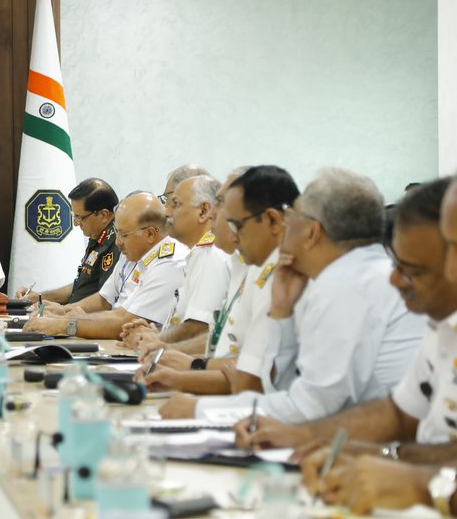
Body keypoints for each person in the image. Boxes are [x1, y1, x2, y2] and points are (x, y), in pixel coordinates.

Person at [161, 168, 425, 421]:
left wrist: (200, 409)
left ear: (312, 231)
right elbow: (282, 386)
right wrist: (282, 311)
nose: (285, 226)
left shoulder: (346, 283)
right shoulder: (341, 274)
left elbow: (309, 408)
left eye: (292, 216)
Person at [286, 177, 457, 515]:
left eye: (413, 271)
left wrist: (421, 484)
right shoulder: (442, 323)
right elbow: (401, 413)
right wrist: (374, 454)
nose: (394, 281)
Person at [134, 166, 294, 395]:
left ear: (272, 220)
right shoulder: (246, 266)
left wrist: (187, 368)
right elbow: (227, 350)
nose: (213, 215)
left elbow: (251, 377)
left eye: (223, 206)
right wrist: (179, 372)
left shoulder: (280, 274)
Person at [24, 192, 188, 339]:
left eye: (123, 235)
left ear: (150, 234)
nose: (117, 242)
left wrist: (64, 323)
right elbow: (105, 299)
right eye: (117, 233)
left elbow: (124, 320)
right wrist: (63, 313)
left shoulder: (170, 263)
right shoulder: (136, 252)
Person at [119, 175, 230, 351]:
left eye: (175, 204)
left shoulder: (210, 254)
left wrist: (152, 341)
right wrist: (153, 334)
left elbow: (198, 328)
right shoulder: (196, 253)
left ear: (203, 211)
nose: (166, 212)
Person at [15, 178, 120, 305]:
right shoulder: (98, 238)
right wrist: (38, 298)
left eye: (80, 217)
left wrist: (62, 313)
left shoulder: (117, 243)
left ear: (104, 215)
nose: (76, 224)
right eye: (74, 216)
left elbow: (105, 301)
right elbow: (80, 288)